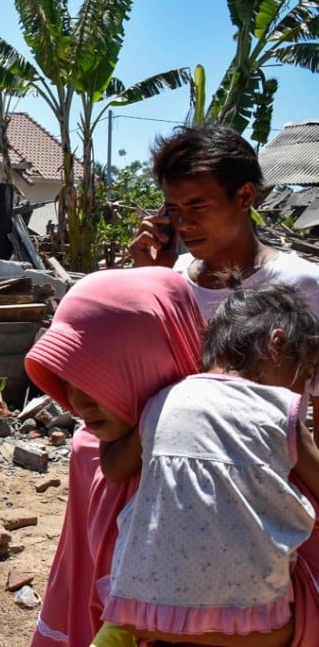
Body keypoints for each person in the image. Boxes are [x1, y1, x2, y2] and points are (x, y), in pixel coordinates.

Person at [94, 283, 319, 647]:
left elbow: (114, 470)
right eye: (303, 374)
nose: (301, 392)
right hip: (256, 629)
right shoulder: (282, 411)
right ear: (278, 344)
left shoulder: (163, 401)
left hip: (147, 615)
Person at [24, 266, 204, 647]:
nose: (77, 402)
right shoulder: (89, 448)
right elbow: (79, 568)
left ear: (153, 361)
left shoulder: (199, 468)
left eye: (97, 377)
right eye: (69, 381)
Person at [127, 123, 319, 434]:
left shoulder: (304, 285)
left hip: (267, 479)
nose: (184, 224)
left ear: (244, 197)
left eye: (197, 206)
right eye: (174, 209)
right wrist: (154, 280)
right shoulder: (167, 279)